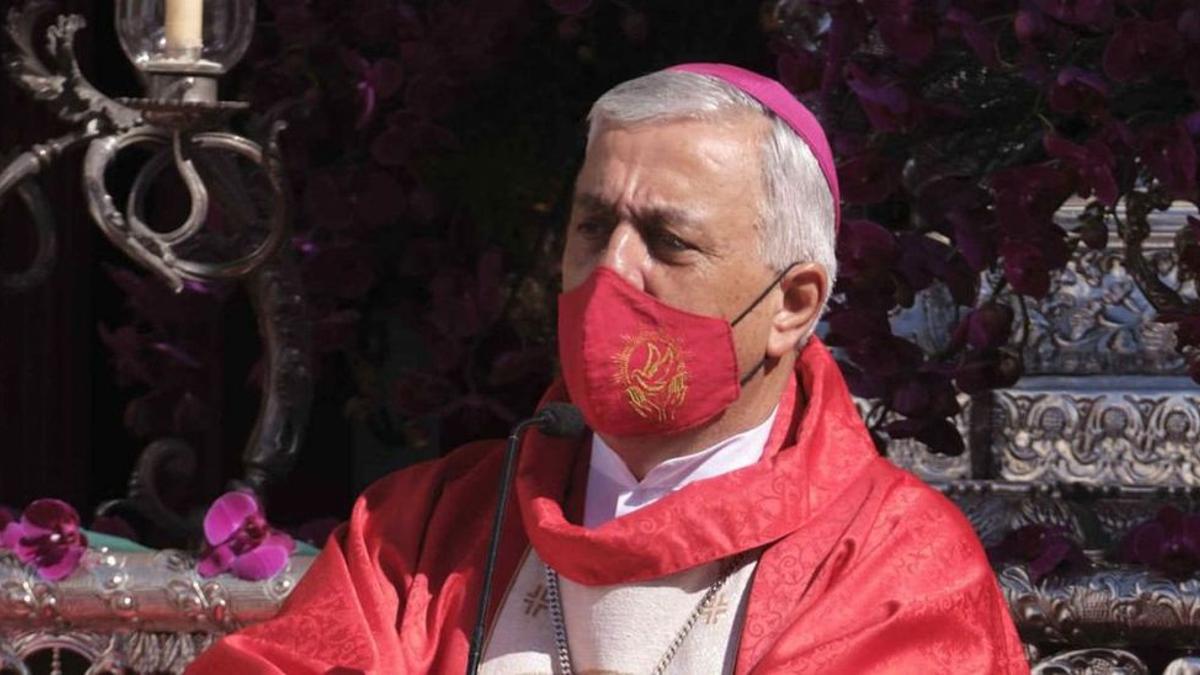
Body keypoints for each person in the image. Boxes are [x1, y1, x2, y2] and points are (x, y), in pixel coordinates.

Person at [187, 63, 1029, 674]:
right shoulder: (424, 530)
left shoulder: (895, 566)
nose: (611, 272)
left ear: (792, 304)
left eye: (668, 240)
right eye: (593, 227)